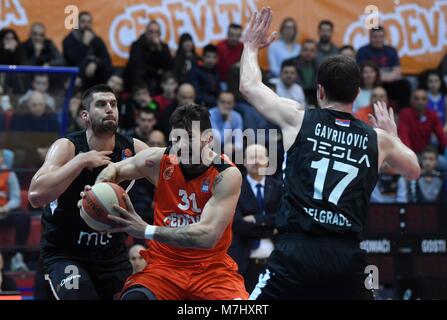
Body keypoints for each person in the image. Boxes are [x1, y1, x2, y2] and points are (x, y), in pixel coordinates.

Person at [239, 7, 420, 300]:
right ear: (358, 92)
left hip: (296, 251)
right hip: (346, 256)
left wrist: (250, 47)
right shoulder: (378, 139)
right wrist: (393, 138)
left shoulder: (298, 118)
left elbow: (248, 85)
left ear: (320, 91)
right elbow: (413, 170)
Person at [88, 104, 248, 300]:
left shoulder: (225, 175)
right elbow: (115, 169)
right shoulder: (158, 160)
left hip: (211, 271)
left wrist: (145, 230)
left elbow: (207, 236)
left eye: (189, 138)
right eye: (176, 139)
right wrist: (96, 192)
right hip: (164, 267)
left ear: (208, 138)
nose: (181, 146)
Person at [27, 84, 148, 300]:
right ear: (85, 116)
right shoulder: (68, 147)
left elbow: (171, 171)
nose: (109, 109)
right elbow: (35, 196)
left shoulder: (133, 148)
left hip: (111, 254)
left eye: (113, 104)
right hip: (66, 254)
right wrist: (80, 161)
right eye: (101, 104)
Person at [229, 144, 282, 293]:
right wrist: (272, 227)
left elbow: (284, 219)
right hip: (244, 261)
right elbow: (237, 224)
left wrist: (256, 220)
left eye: (260, 157)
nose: (256, 161)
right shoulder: (235, 188)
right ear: (244, 161)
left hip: (274, 261)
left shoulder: (278, 187)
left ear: (267, 161)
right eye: (251, 157)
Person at [357, 26, 410, 109]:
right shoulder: (363, 51)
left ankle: (401, 113)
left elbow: (397, 73)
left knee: (404, 84)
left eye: (380, 36)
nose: (378, 39)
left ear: (384, 37)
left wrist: (377, 75)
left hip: (389, 84)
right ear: (370, 37)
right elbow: (364, 72)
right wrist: (385, 75)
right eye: (375, 36)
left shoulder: (391, 50)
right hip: (370, 83)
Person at [63, 12, 113, 90]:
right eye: (83, 21)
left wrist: (95, 63)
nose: (86, 25)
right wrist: (85, 44)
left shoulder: (96, 40)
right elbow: (75, 61)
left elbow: (107, 60)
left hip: (95, 79)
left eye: (89, 22)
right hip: (77, 78)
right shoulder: (68, 41)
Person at [124, 20, 174, 94]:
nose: (154, 35)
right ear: (146, 33)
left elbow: (169, 66)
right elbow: (137, 65)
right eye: (151, 32)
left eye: (157, 32)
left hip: (158, 80)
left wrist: (159, 48)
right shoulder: (137, 45)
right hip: (143, 79)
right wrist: (156, 72)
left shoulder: (163, 47)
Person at [398, 89, 447, 155]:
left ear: (428, 101)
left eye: (423, 99)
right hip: (408, 153)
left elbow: (441, 135)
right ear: (411, 101)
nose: (420, 101)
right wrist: (411, 156)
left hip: (425, 154)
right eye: (416, 99)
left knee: (443, 163)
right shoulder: (405, 114)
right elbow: (404, 137)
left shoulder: (432, 115)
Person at [284, 40, 318, 107]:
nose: (308, 53)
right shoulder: (290, 63)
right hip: (292, 99)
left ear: (315, 53)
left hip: (313, 100)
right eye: (305, 50)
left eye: (312, 51)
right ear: (300, 50)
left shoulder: (318, 66)